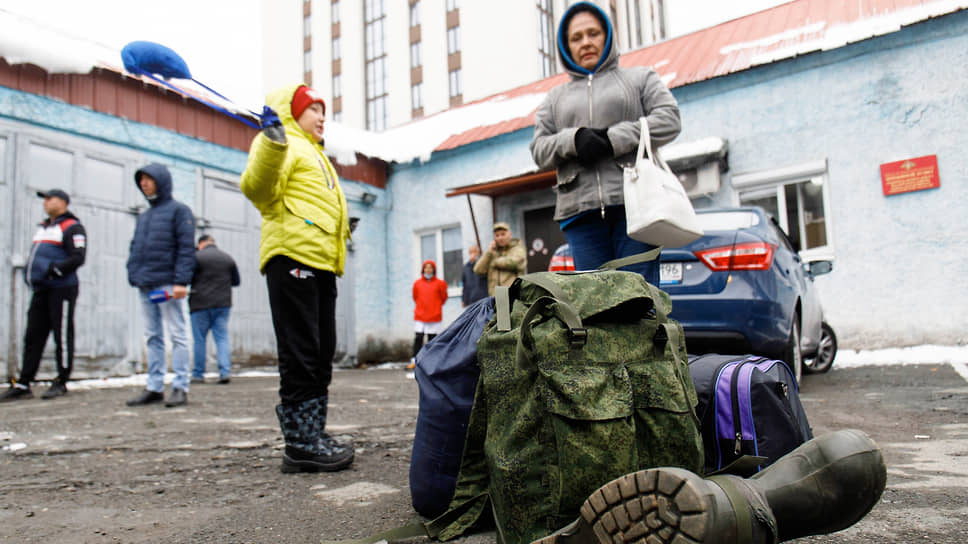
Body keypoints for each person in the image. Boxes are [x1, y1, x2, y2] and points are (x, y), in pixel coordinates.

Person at [240, 84, 354, 473]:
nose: (323, 117)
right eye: (314, 110)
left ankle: (313, 433)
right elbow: (258, 190)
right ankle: (300, 443)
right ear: (293, 113)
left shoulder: (314, 152)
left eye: (325, 110)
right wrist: (272, 143)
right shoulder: (280, 141)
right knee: (302, 352)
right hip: (292, 257)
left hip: (321, 262)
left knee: (322, 352)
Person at [530, 1, 681, 285]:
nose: (586, 42)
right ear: (566, 46)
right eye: (576, 38)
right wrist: (573, 140)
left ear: (607, 35)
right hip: (580, 213)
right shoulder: (554, 98)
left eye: (593, 33)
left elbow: (670, 119)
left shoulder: (639, 79)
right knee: (593, 309)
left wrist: (615, 139)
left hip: (636, 206)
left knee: (638, 301)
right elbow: (539, 150)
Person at [0, 190, 86, 402]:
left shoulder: (72, 227)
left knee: (62, 334)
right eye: (44, 200)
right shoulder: (44, 228)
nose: (46, 203)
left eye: (50, 199)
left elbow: (78, 257)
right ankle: (23, 383)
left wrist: (55, 270)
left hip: (62, 289)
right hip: (41, 289)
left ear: (63, 202)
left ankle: (61, 380)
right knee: (33, 335)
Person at [124, 163, 196, 408]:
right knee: (153, 335)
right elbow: (135, 247)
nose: (143, 184)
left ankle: (180, 386)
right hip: (146, 285)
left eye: (148, 179)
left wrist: (181, 281)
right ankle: (154, 387)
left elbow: (187, 249)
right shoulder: (145, 216)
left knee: (177, 334)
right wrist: (133, 273)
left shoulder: (179, 211)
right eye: (141, 180)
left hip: (167, 285)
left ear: (161, 181)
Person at [189, 234, 240, 385]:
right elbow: (236, 282)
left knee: (199, 339)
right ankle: (224, 372)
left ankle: (198, 374)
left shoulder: (197, 257)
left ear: (200, 244)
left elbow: (186, 278)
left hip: (200, 304)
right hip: (222, 304)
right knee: (222, 338)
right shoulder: (227, 258)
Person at [473, 222, 527, 296]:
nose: (500, 238)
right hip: (495, 298)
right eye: (497, 235)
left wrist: (495, 262)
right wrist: (489, 252)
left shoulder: (517, 248)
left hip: (514, 297)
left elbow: (515, 262)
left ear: (510, 234)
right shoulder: (492, 253)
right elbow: (478, 270)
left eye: (503, 234)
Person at [411, 260, 448, 364]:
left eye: (430, 267)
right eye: (426, 267)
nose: (428, 270)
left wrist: (435, 307)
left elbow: (443, 298)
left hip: (434, 316)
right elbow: (415, 297)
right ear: (423, 270)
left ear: (434, 269)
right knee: (418, 337)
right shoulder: (417, 284)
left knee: (432, 339)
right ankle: (415, 359)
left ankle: (431, 360)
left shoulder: (440, 283)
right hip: (420, 315)